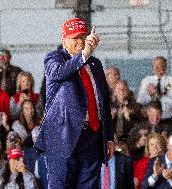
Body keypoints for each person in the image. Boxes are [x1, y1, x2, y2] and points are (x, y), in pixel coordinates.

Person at [34, 18, 114, 188]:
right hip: (62, 137)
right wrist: (84, 55)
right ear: (64, 40)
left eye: (83, 37)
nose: (80, 42)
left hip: (93, 137)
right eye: (75, 38)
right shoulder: (54, 58)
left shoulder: (95, 64)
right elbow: (60, 72)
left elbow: (104, 103)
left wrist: (108, 138)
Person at [137, 56, 172, 124]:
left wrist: (159, 96)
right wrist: (150, 95)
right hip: (150, 120)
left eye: (160, 65)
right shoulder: (146, 80)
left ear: (165, 67)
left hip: (168, 119)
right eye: (155, 65)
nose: (157, 68)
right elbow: (140, 101)